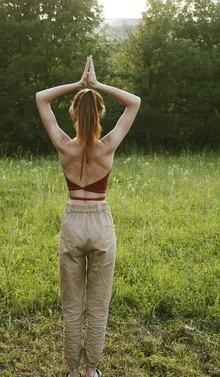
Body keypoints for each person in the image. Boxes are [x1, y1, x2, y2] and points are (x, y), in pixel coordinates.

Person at [36, 56, 141, 377]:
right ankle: (92, 371)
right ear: (99, 114)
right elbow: (134, 103)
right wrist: (96, 85)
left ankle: (71, 371)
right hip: (100, 223)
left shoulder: (64, 146)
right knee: (98, 306)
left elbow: (41, 98)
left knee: (72, 307)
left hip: (72, 222)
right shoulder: (107, 146)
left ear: (72, 114)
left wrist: (79, 84)